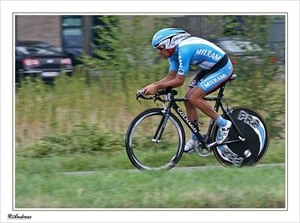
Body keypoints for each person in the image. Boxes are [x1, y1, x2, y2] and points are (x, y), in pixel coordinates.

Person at [142, 28, 233, 154]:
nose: (159, 52)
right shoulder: (173, 54)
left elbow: (179, 81)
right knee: (187, 100)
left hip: (222, 68)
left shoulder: (184, 50)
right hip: (209, 69)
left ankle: (224, 124)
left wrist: (157, 87)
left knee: (194, 97)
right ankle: (196, 138)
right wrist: (152, 85)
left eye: (160, 48)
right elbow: (170, 78)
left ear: (169, 44)